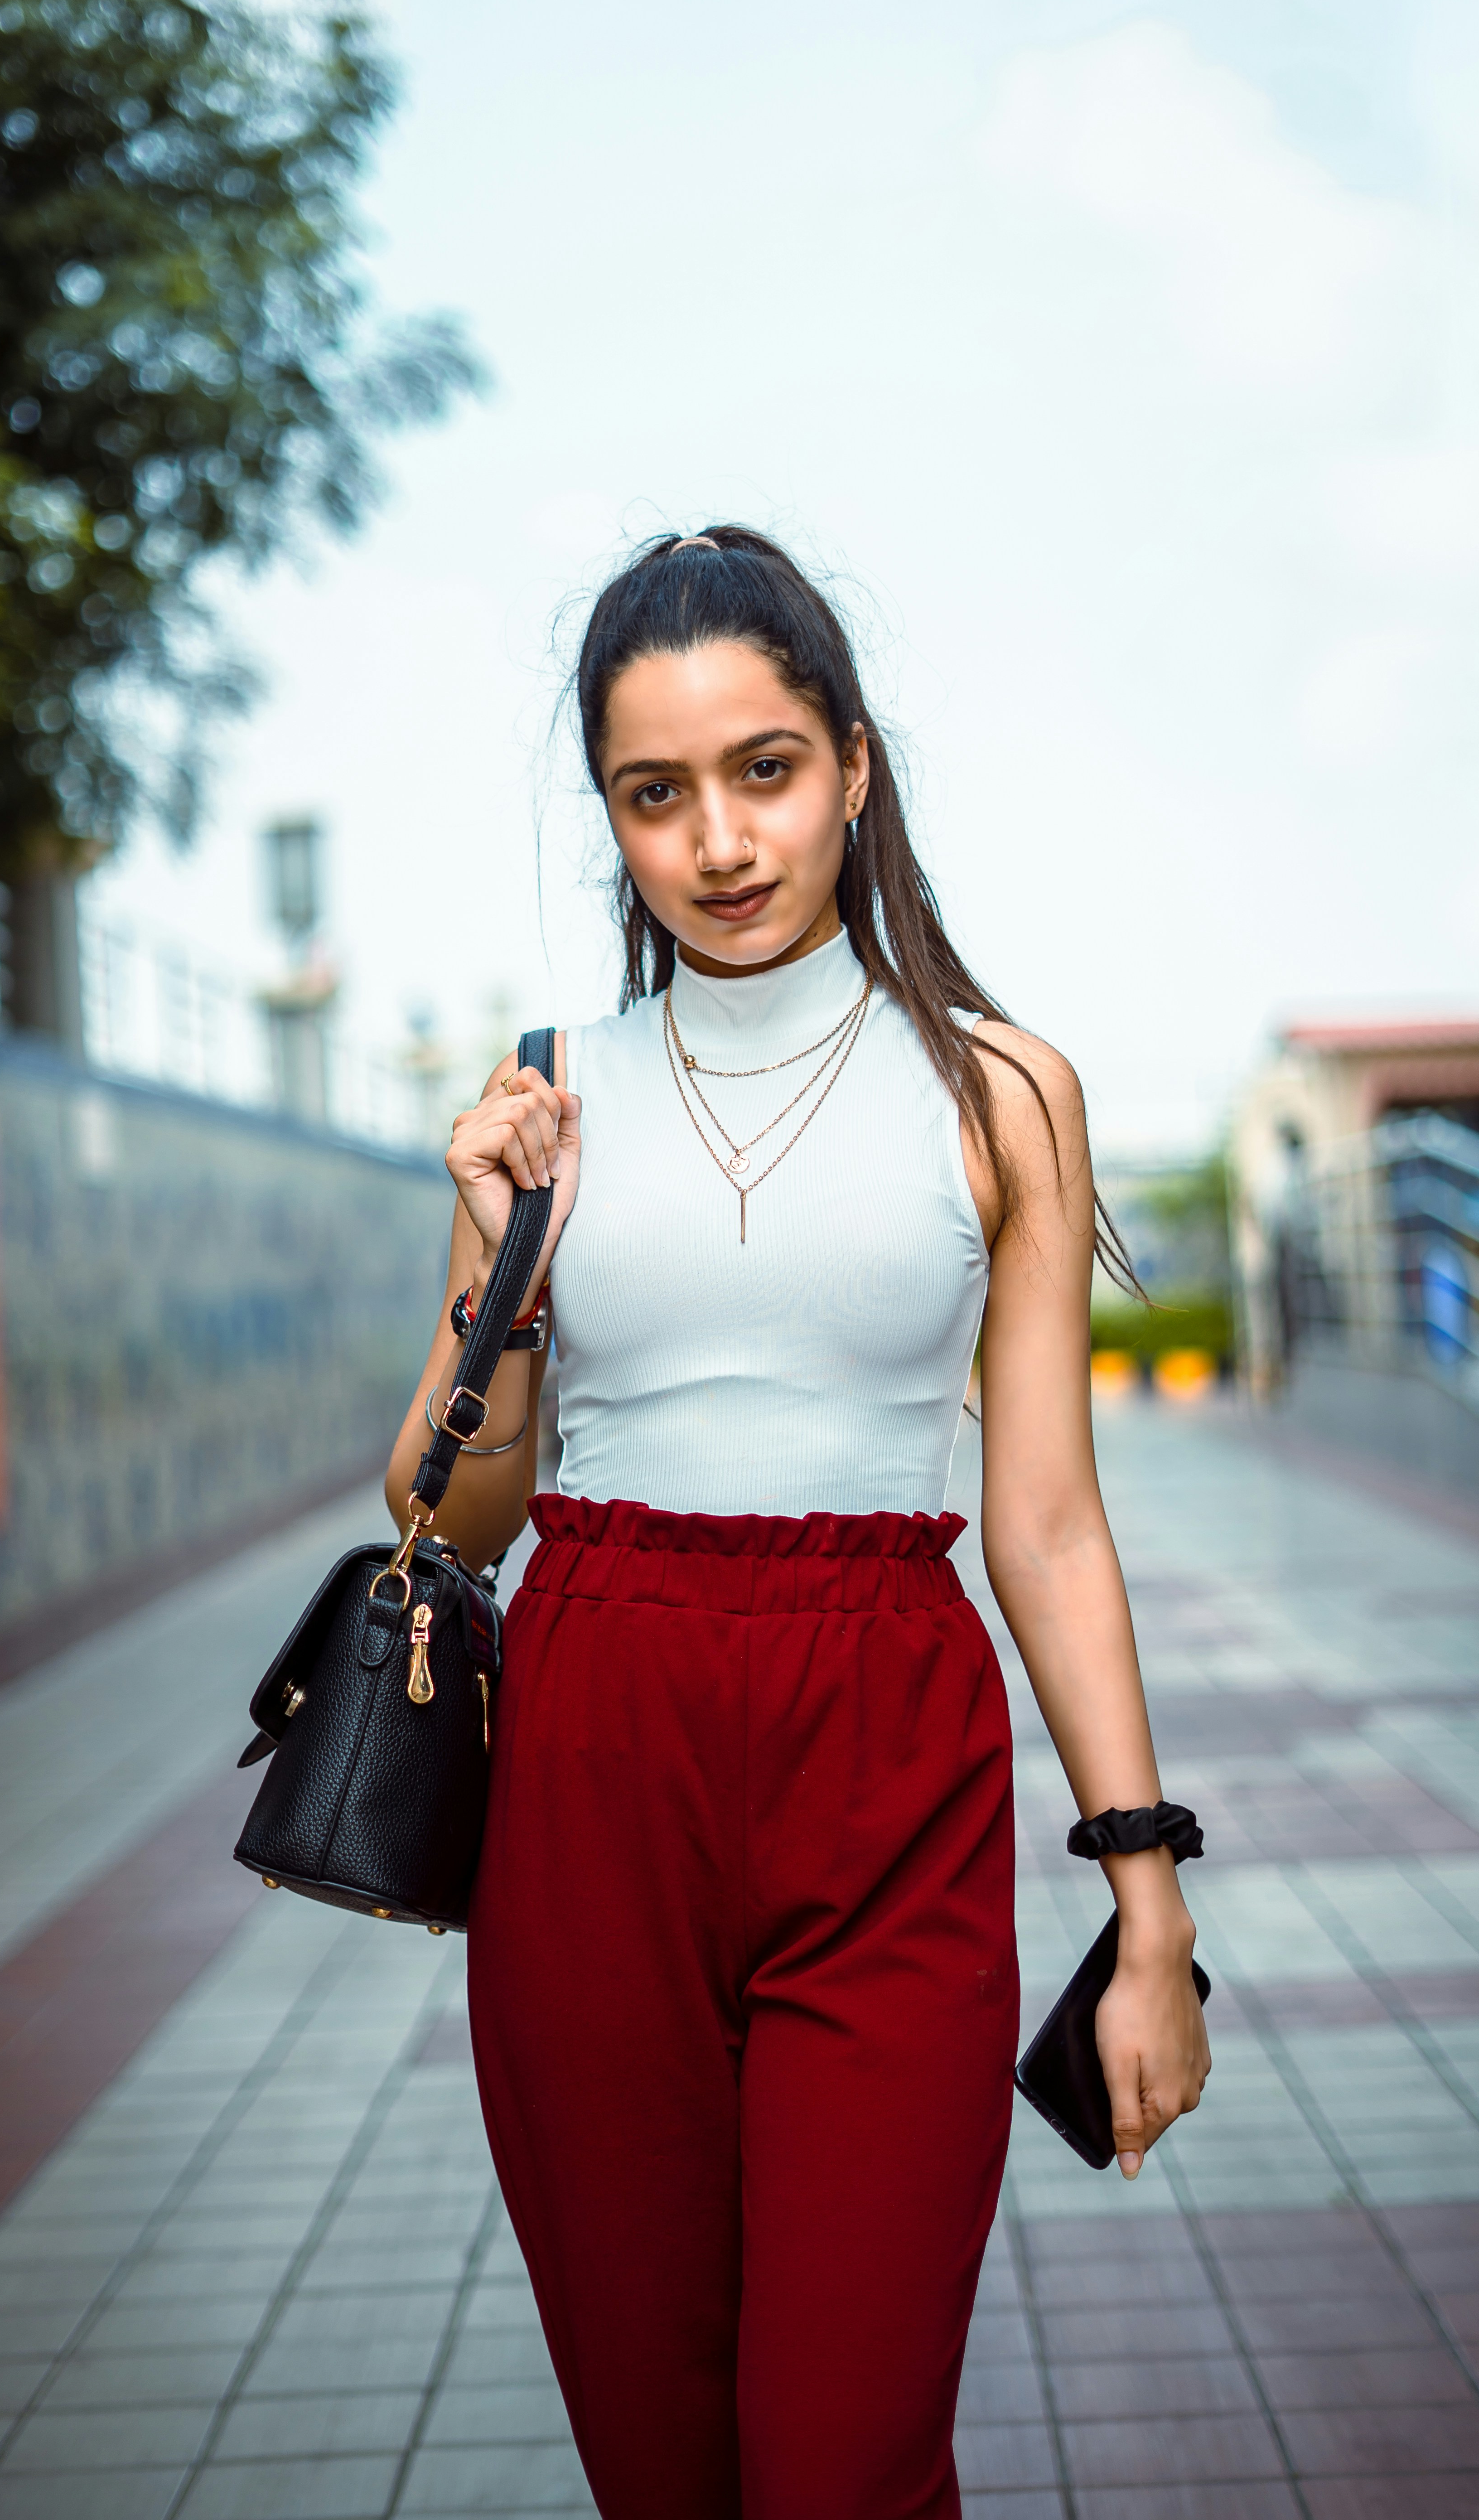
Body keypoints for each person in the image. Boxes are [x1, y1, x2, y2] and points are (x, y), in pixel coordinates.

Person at [386, 526, 1210, 2520]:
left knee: (843, 2456)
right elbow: (446, 1512)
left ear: (851, 762)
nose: (720, 841)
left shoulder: (1000, 1088)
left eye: (763, 770)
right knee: (663, 2459)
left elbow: (1048, 1529)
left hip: (886, 1743)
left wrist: (1147, 1898)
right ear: (612, 819)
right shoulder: (549, 1096)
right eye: (654, 795)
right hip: (596, 1748)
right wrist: (493, 1262)